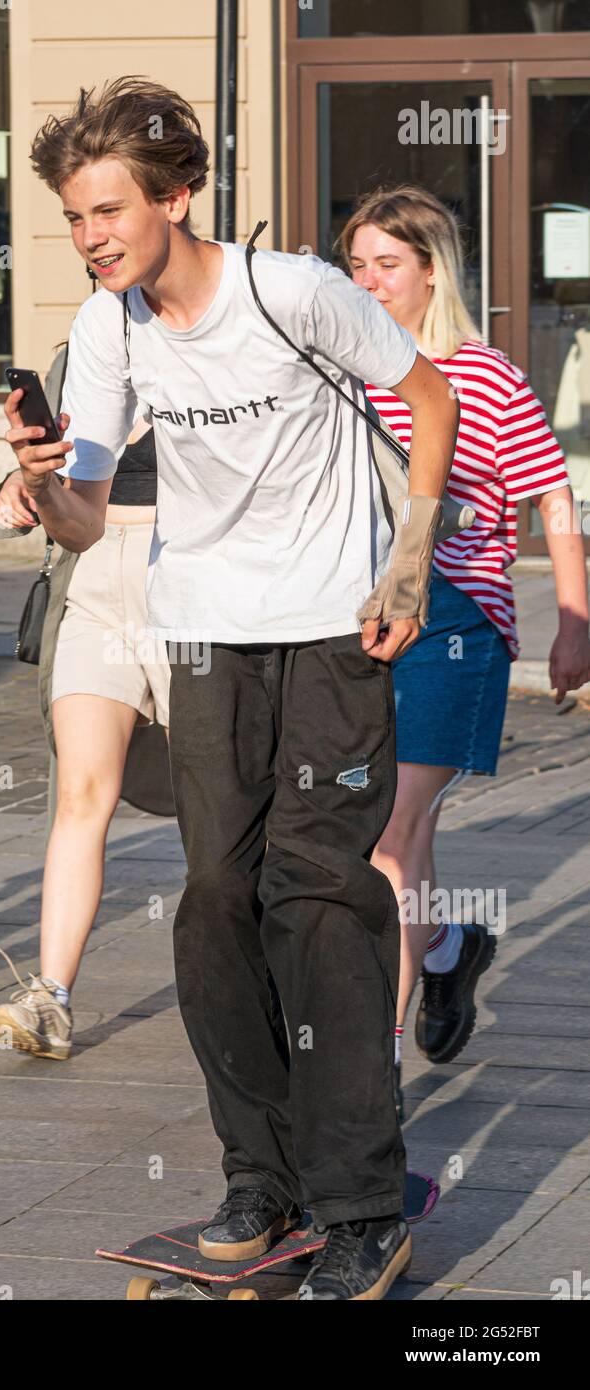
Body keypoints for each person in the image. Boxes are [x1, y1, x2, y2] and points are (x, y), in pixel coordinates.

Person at [0, 77, 459, 1300]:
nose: (91, 236)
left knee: (317, 895)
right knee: (212, 899)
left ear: (175, 196)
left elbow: (427, 399)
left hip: (329, 626)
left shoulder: (290, 292)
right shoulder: (110, 329)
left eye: (107, 211)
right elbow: (90, 516)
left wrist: (407, 565)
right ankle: (260, 1177)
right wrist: (42, 487)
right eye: (74, 219)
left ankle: (360, 1196)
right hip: (200, 633)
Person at [343, 186, 590, 1116]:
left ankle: (377, 1067)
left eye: (387, 265)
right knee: (404, 834)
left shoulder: (483, 375)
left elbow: (551, 498)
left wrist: (574, 620)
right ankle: (447, 951)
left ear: (433, 270)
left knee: (386, 838)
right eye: (357, 265)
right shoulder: (346, 371)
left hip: (457, 626)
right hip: (357, 619)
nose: (369, 282)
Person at [0, 401, 171, 1060]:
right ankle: (50, 999)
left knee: (224, 800)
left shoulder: (219, 330)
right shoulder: (86, 351)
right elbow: (55, 478)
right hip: (93, 575)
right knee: (80, 793)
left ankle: (254, 984)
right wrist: (28, 484)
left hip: (188, 571)